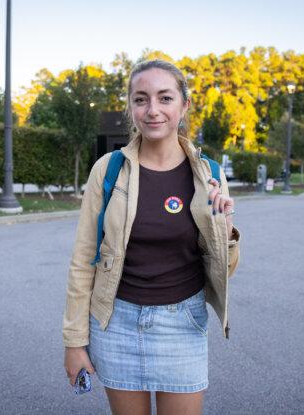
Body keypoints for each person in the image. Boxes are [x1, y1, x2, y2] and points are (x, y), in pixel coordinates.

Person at [63, 59, 241, 415]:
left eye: (165, 98)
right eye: (141, 99)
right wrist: (74, 342)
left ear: (184, 105)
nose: (153, 110)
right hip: (116, 325)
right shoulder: (109, 169)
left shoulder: (210, 174)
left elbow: (226, 269)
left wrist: (225, 228)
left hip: (183, 325)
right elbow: (84, 261)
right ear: (131, 107)